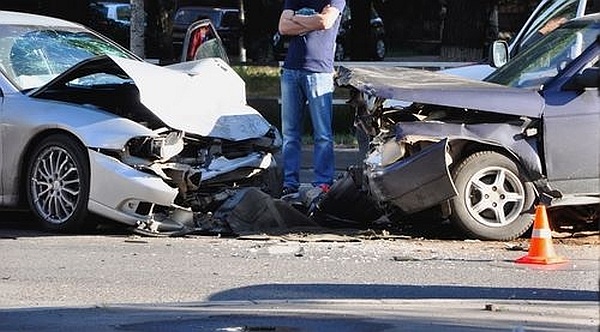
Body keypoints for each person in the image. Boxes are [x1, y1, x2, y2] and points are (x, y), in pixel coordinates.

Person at [277, 0, 346, 199]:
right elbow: (283, 27)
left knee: (322, 134)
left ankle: (323, 183)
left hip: (320, 72)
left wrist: (296, 19)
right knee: (290, 134)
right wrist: (312, 20)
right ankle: (289, 184)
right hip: (291, 70)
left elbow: (325, 22)